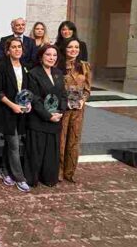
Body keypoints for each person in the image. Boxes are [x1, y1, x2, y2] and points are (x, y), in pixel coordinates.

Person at [24, 44, 67, 188]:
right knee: (36, 153)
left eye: (54, 55)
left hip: (56, 119)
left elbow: (63, 95)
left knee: (51, 154)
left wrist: (60, 112)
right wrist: (48, 115)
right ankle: (32, 179)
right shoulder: (33, 74)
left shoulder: (59, 73)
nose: (51, 58)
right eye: (48, 54)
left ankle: (49, 178)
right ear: (41, 56)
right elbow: (34, 98)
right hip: (39, 120)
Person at [0, 37, 31, 192]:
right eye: (13, 47)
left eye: (19, 46)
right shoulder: (0, 66)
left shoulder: (25, 67)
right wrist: (13, 105)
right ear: (7, 50)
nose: (17, 49)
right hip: (6, 111)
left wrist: (28, 104)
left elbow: (27, 90)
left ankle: (4, 170)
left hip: (21, 112)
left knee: (11, 143)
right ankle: (19, 178)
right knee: (14, 144)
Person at [57, 38, 91, 182]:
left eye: (76, 47)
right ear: (65, 49)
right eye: (70, 47)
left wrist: (83, 100)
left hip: (78, 109)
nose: (74, 50)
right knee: (61, 140)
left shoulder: (85, 66)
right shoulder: (59, 65)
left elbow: (88, 89)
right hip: (63, 108)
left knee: (74, 140)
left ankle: (69, 173)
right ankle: (58, 172)